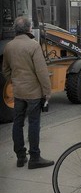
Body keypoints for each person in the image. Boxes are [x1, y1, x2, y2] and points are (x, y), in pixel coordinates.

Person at [2, 16, 54, 169]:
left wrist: (15, 80)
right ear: (28, 29)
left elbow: (5, 70)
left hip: (18, 92)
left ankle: (20, 156)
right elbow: (41, 71)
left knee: (17, 123)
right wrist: (47, 91)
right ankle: (35, 157)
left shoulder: (9, 46)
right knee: (33, 124)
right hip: (33, 93)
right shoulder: (33, 45)